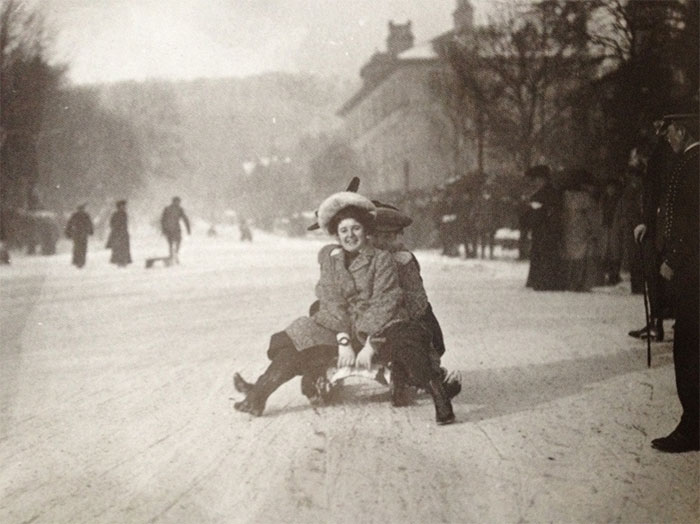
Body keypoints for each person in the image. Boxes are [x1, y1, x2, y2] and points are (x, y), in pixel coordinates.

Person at [232, 191, 456, 425]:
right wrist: (343, 341)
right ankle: (258, 396)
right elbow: (330, 300)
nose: (350, 236)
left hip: (381, 329)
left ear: (366, 231)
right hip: (343, 329)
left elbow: (385, 301)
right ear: (337, 236)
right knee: (298, 340)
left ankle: (439, 396)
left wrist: (371, 343)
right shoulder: (332, 260)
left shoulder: (383, 259)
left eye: (356, 229)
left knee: (407, 344)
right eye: (344, 231)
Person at [368, 203, 460, 403]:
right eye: (378, 237)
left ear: (399, 237)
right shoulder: (365, 258)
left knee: (426, 336)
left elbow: (417, 297)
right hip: (373, 316)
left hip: (405, 313)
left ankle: (421, 373)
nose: (384, 242)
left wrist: (402, 306)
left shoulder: (404, 260)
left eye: (390, 237)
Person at [650, 113, 699, 453]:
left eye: (669, 131)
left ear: (682, 130)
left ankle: (692, 427)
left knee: (689, 348)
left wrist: (672, 260)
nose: (666, 137)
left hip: (694, 271)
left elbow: (690, 221)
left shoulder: (691, 164)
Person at [524, 165, 564, 290]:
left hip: (545, 228)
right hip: (547, 228)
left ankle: (542, 281)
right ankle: (546, 281)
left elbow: (540, 213)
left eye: (537, 179)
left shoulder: (544, 194)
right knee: (545, 254)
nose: (536, 182)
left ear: (543, 179)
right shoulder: (551, 192)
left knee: (543, 254)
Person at [161, 196, 191, 263]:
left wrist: (163, 229)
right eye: (177, 202)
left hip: (171, 229)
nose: (178, 203)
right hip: (173, 229)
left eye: (179, 202)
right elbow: (185, 219)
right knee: (175, 242)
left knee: (173, 243)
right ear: (174, 201)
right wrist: (188, 229)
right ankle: (174, 255)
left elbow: (163, 220)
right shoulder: (177, 209)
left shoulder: (170, 209)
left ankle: (173, 255)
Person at [65, 204, 94, 268]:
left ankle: (80, 261)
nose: (81, 210)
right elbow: (70, 224)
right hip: (78, 234)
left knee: (80, 248)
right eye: (80, 209)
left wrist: (90, 231)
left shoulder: (83, 215)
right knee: (78, 248)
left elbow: (89, 224)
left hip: (80, 233)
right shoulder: (78, 215)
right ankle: (79, 261)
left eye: (82, 209)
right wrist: (68, 232)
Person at [106, 200, 132, 267]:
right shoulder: (116, 214)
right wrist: (117, 229)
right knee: (119, 248)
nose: (124, 207)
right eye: (122, 206)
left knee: (124, 248)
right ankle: (120, 262)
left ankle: (123, 261)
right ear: (119, 207)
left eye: (124, 206)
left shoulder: (124, 213)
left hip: (123, 233)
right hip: (117, 234)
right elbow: (112, 224)